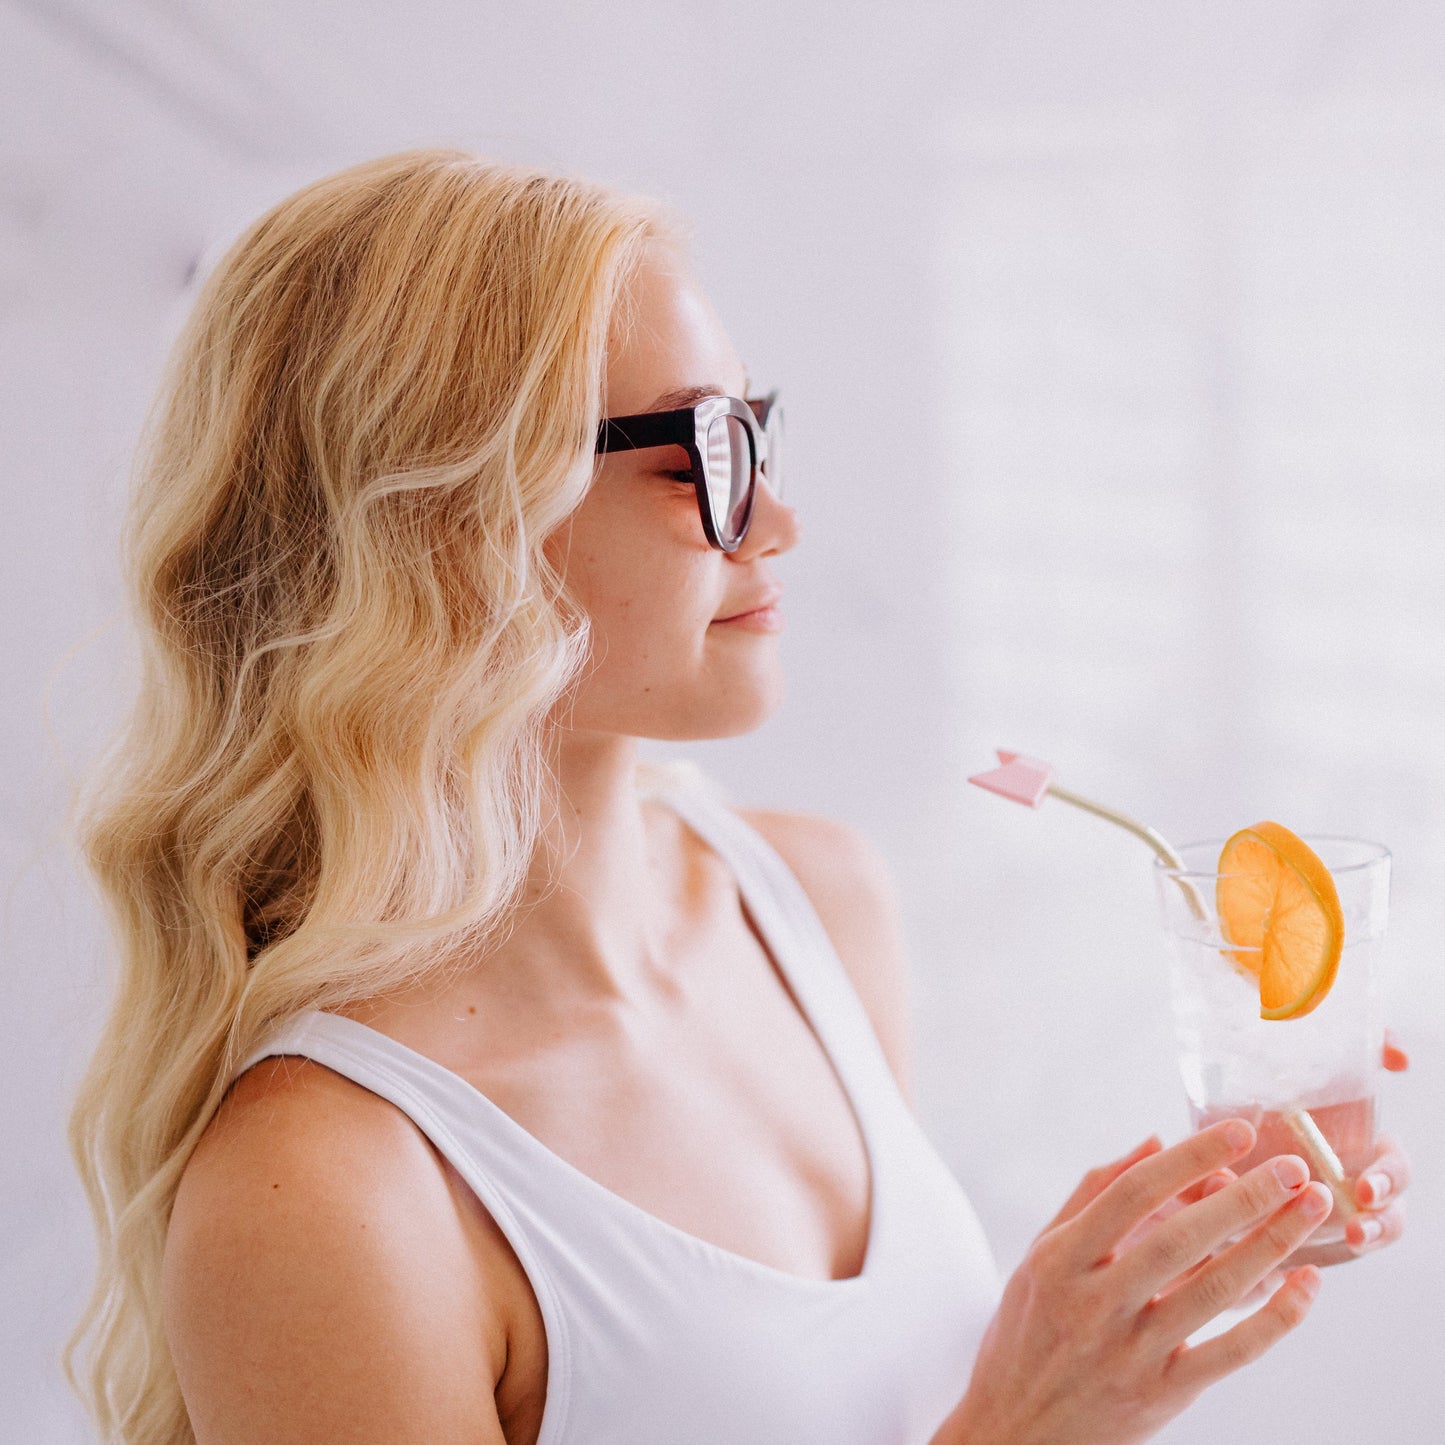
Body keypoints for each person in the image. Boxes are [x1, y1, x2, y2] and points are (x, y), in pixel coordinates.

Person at [67, 148, 1410, 1445]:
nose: (775, 520)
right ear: (444, 523)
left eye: (755, 429)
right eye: (703, 450)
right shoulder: (323, 1193)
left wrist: (1098, 1314)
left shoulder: (816, 901)